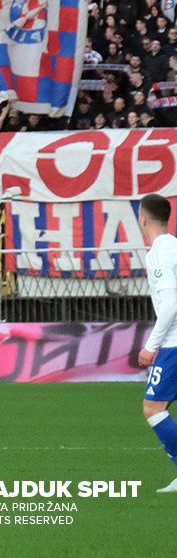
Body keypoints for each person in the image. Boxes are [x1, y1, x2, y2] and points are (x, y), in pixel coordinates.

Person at [138, 193, 177, 492]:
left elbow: (171, 303)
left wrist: (152, 344)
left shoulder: (159, 251)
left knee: (153, 408)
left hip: (174, 344)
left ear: (143, 220)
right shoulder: (174, 246)